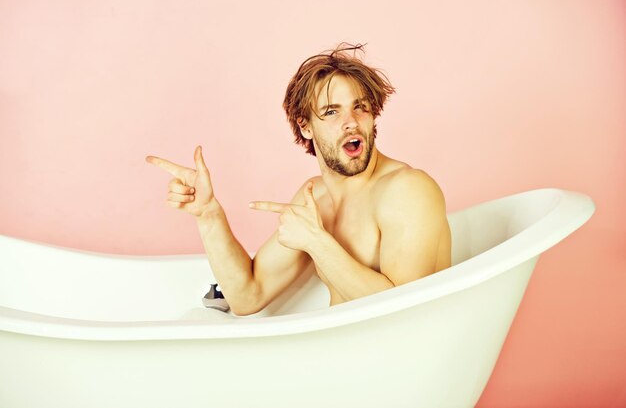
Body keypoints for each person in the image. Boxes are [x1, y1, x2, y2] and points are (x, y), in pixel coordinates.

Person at [146, 43, 451, 316]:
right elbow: (247, 296)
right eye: (331, 112)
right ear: (305, 127)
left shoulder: (408, 190)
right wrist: (208, 214)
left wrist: (317, 243)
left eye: (361, 107)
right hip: (342, 358)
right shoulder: (314, 198)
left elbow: (408, 314)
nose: (350, 122)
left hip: (394, 367)